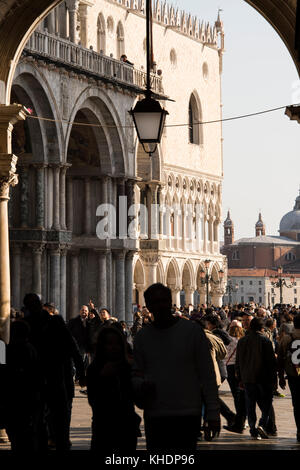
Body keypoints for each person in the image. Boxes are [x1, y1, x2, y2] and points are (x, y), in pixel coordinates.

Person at [132, 283, 220, 453]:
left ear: (170, 301)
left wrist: (213, 413)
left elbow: (207, 375)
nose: (160, 305)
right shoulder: (143, 337)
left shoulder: (192, 332)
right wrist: (140, 386)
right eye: (154, 302)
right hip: (155, 412)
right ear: (148, 306)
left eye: (163, 301)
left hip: (187, 413)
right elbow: (137, 372)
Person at [86, 326, 140, 453]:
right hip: (103, 426)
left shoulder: (127, 367)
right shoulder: (94, 368)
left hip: (126, 425)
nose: (114, 347)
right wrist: (103, 377)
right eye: (109, 343)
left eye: (117, 343)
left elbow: (135, 397)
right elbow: (93, 400)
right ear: (102, 346)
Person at [235, 317, 277, 440]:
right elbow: (271, 363)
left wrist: (240, 378)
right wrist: (275, 379)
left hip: (248, 378)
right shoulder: (265, 341)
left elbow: (238, 362)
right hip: (264, 378)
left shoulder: (242, 341)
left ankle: (253, 429)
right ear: (262, 328)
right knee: (267, 403)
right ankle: (262, 423)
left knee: (250, 404)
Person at [277, 313, 300, 442]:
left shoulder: (287, 338)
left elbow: (280, 359)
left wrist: (280, 377)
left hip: (293, 375)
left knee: (297, 404)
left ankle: (299, 430)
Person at [223, 322, 246, 434]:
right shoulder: (243, 340)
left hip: (230, 367)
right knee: (241, 395)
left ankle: (239, 418)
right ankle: (242, 419)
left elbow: (224, 354)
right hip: (241, 367)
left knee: (235, 394)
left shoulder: (228, 340)